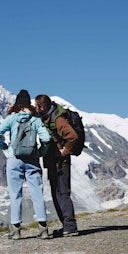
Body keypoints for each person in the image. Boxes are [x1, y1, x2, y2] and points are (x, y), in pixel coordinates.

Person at [0, 90, 51, 240]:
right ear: (29, 104)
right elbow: (46, 139)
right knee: (37, 193)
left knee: (15, 194)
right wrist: (40, 152)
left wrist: (4, 146)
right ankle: (43, 229)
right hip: (32, 159)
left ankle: (16, 231)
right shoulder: (35, 119)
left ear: (17, 104)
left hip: (14, 158)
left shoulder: (12, 118)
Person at [34, 94, 79, 237]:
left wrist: (64, 152)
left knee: (63, 193)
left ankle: (70, 226)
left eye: (36, 106)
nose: (35, 109)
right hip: (53, 162)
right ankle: (66, 226)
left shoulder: (57, 119)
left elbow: (73, 136)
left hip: (61, 163)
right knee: (56, 193)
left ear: (42, 106)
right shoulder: (47, 116)